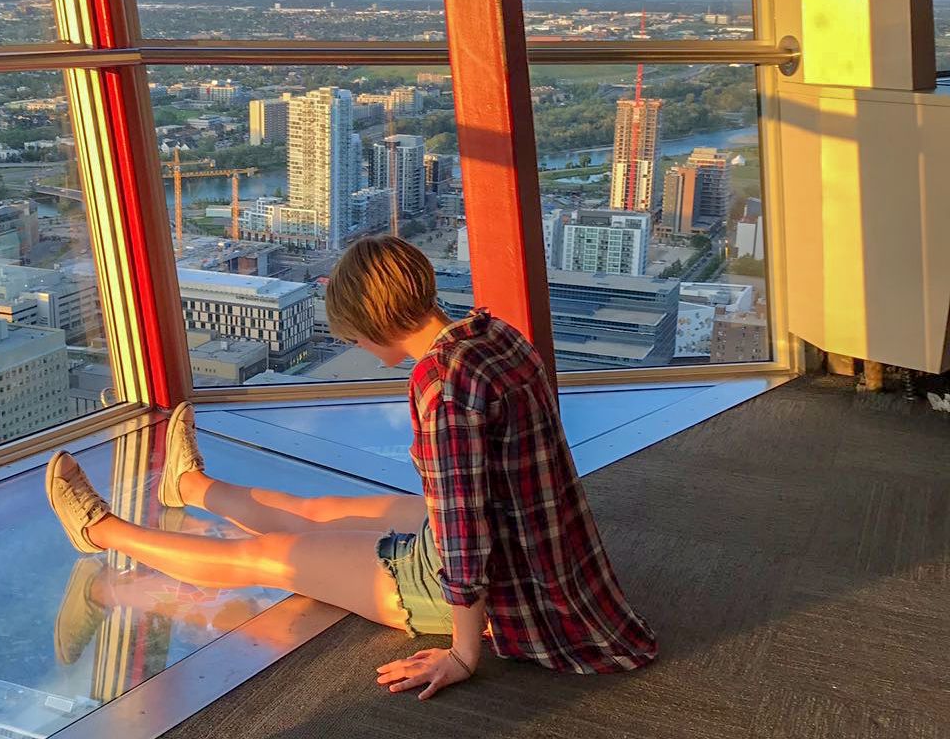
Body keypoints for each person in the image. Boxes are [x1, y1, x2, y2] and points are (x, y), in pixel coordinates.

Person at [46, 235, 657, 701]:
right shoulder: (493, 336)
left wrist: (464, 657)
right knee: (322, 513)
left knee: (263, 557)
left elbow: (466, 545)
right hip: (536, 546)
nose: (360, 350)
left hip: (491, 580)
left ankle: (99, 539)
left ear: (374, 326)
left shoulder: (440, 386)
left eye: (357, 339)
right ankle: (192, 486)